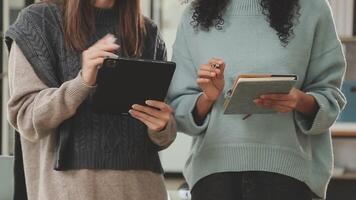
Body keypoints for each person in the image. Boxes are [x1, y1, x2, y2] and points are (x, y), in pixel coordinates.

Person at [167, 0, 346, 199]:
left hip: (289, 176)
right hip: (213, 177)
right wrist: (207, 98)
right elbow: (178, 108)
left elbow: (331, 96)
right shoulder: (194, 15)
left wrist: (299, 100)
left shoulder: (313, 9)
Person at [5, 0, 177, 199]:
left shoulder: (147, 32)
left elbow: (166, 127)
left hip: (144, 189)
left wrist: (162, 126)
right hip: (71, 191)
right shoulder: (38, 22)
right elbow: (25, 116)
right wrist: (82, 82)